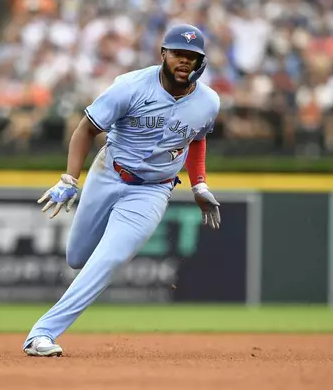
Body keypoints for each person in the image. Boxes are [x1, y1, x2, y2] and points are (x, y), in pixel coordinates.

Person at [22, 24, 222, 357]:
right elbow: (85, 129)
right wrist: (70, 179)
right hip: (108, 173)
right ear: (163, 54)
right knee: (78, 258)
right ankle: (58, 307)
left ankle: (41, 333)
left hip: (151, 191)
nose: (185, 62)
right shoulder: (129, 87)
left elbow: (197, 137)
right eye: (178, 54)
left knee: (107, 260)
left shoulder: (209, 102)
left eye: (192, 57)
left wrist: (199, 183)